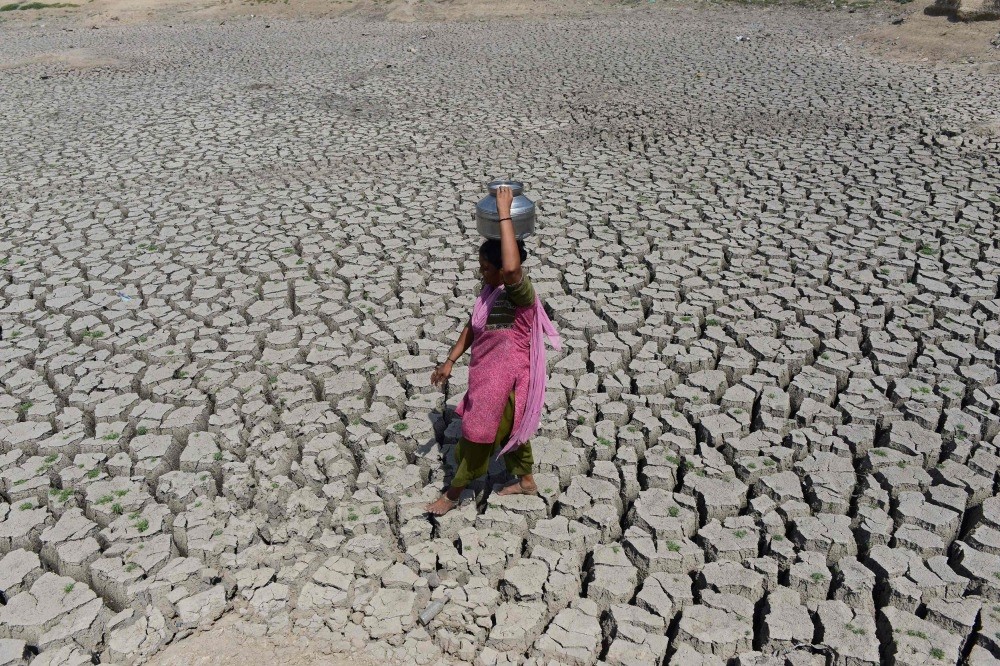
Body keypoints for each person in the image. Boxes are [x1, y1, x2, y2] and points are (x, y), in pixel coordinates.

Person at [426, 184, 560, 516]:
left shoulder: (520, 296)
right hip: (488, 379)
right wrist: (450, 361)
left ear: (502, 270)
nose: (481, 273)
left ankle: (454, 493)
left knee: (477, 437)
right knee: (513, 430)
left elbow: (514, 269)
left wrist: (504, 214)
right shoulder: (489, 293)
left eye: (486, 267)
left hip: (507, 382)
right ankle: (526, 481)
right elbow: (473, 327)